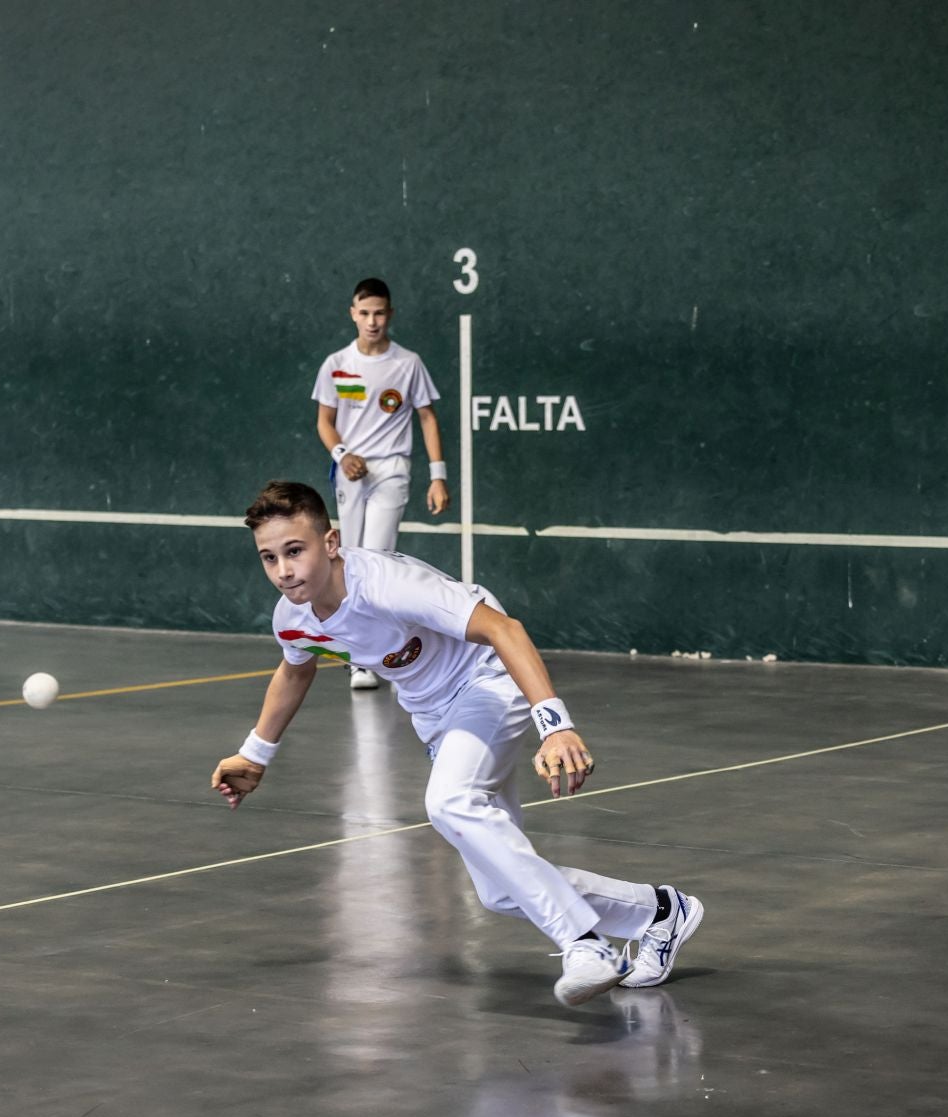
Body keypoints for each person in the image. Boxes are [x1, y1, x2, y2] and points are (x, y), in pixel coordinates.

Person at [210, 480, 703, 1007]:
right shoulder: (294, 617)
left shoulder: (387, 585)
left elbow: (505, 629)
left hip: (488, 683)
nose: (283, 571)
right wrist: (255, 753)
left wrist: (555, 725)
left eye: (294, 551)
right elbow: (294, 671)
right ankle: (660, 913)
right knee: (500, 890)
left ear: (330, 543)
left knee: (450, 802)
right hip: (435, 716)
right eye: (269, 557)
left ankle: (585, 944)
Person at [312, 277, 450, 689]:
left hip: (392, 469)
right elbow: (324, 422)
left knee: (377, 556)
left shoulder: (408, 363)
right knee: (349, 559)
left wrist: (438, 477)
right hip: (350, 474)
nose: (372, 321)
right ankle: (361, 658)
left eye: (379, 313)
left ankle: (383, 654)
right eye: (365, 313)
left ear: (390, 315)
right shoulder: (336, 363)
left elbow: (427, 418)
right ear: (353, 314)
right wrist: (341, 455)